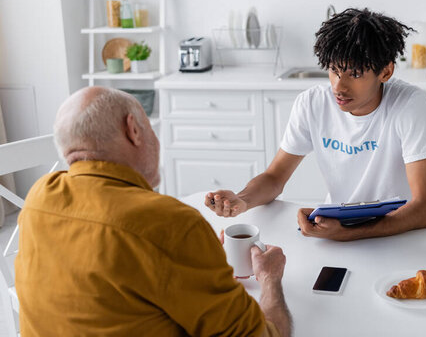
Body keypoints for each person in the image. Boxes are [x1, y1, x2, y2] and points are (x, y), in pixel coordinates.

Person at [15, 86, 291, 337]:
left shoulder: (39, 197)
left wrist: (203, 266)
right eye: (150, 126)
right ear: (133, 129)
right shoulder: (170, 223)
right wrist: (269, 279)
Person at [205, 8, 426, 242]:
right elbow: (275, 177)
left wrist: (348, 234)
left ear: (385, 72)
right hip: (335, 229)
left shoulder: (410, 105)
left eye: (355, 74)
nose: (339, 86)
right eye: (334, 70)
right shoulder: (312, 104)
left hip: (399, 235)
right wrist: (242, 199)